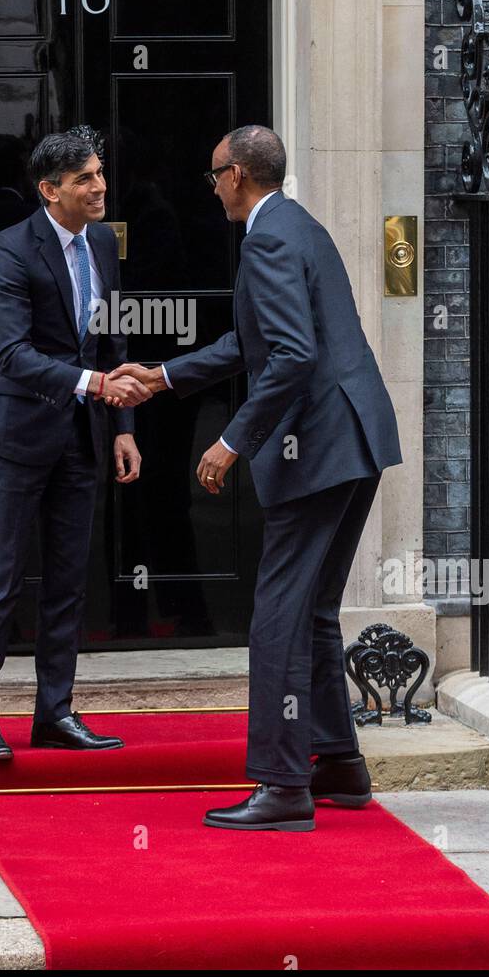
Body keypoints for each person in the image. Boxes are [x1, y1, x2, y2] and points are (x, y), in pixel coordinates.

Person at [111, 125, 402, 830]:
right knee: (314, 610)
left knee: (276, 615)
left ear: (237, 173)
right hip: (354, 439)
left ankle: (280, 785)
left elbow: (293, 354)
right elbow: (255, 341)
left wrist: (231, 440)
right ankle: (337, 762)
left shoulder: (267, 239)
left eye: (213, 175)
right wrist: (165, 377)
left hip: (320, 445)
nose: (210, 188)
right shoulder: (297, 226)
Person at [0, 127, 149, 761]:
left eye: (99, 173)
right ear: (50, 190)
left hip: (82, 437)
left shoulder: (103, 239)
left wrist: (123, 427)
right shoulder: (9, 249)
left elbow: (114, 336)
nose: (99, 187)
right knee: (1, 577)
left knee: (69, 580)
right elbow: (12, 355)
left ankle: (54, 714)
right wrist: (92, 384)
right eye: (85, 180)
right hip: (16, 436)